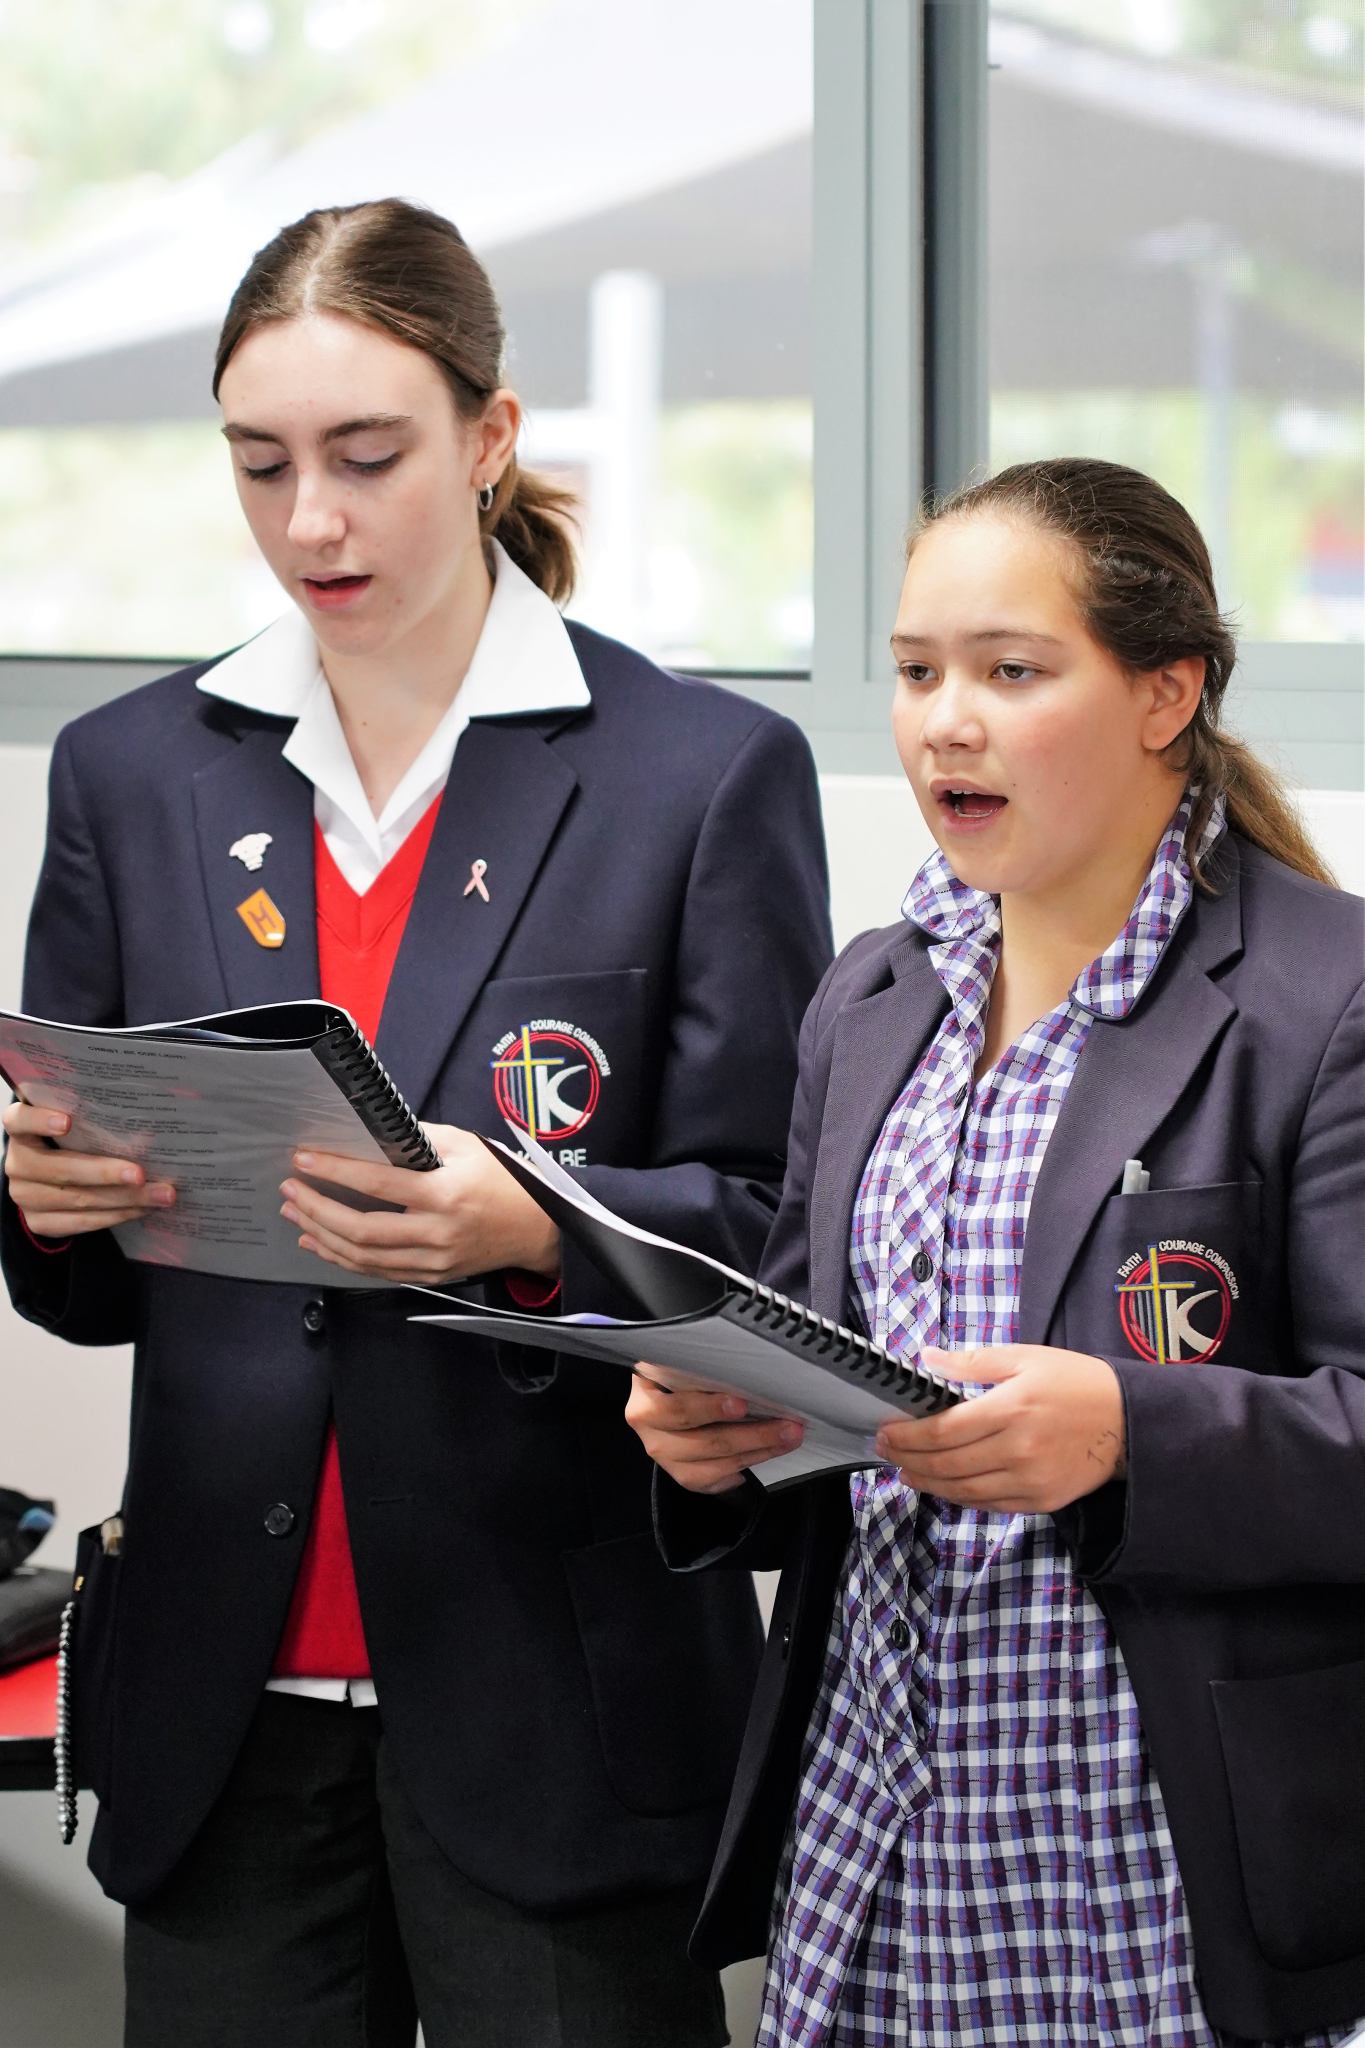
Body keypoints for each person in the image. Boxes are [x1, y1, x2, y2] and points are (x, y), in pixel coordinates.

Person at [1, 198, 833, 2048]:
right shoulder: (131, 772)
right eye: (261, 464)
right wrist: (48, 1200)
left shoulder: (696, 775)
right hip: (223, 1705)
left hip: (558, 1705)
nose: (311, 520)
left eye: (367, 458)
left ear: (488, 436)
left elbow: (786, 1234)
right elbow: (91, 1291)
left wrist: (536, 1225)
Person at [628, 457, 1365, 2048]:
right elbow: (823, 1373)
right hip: (875, 1836)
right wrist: (726, 1437)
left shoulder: (1325, 998)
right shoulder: (870, 994)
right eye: (914, 673)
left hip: (1149, 1870)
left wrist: (1129, 1432)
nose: (942, 723)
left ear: (1165, 692)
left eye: (1009, 672)